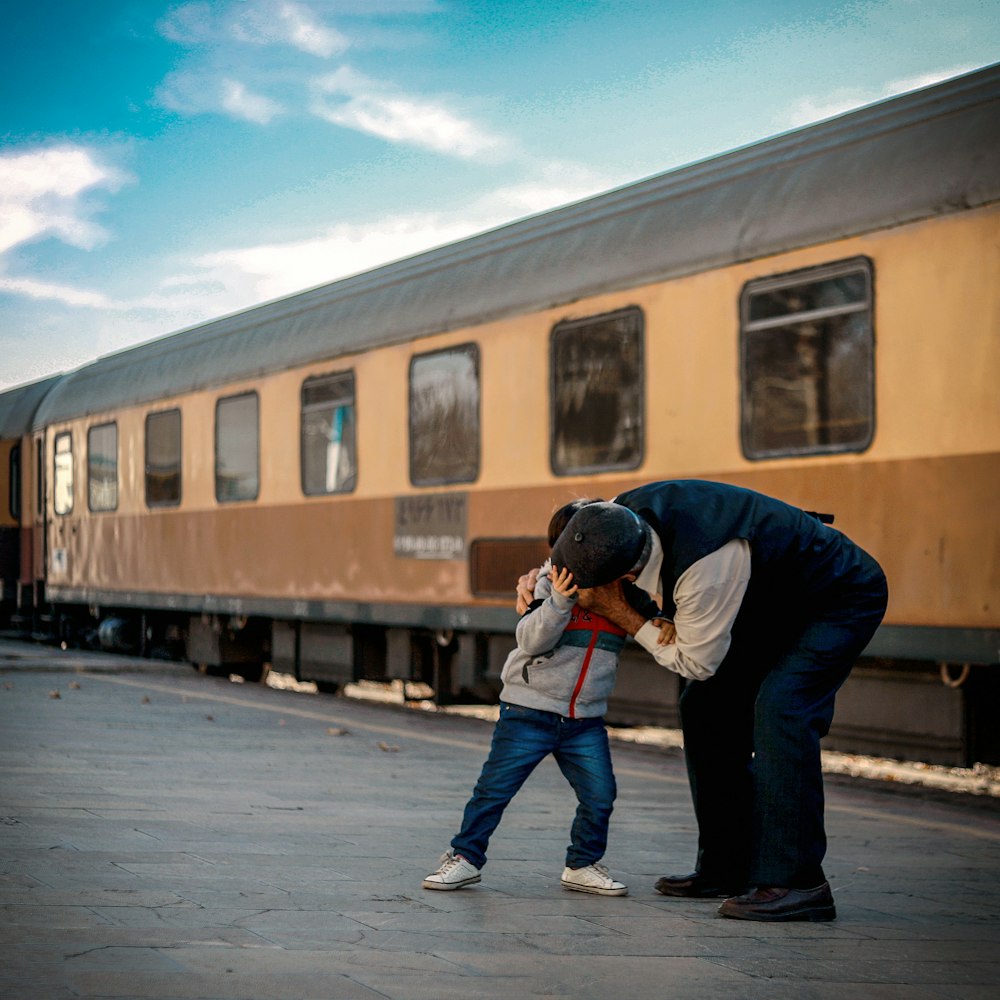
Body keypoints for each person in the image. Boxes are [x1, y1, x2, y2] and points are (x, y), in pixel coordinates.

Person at [521, 480, 888, 922]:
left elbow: (697, 662)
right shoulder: (608, 520)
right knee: (704, 708)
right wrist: (538, 583)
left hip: (833, 598)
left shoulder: (705, 566)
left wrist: (624, 613)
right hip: (761, 600)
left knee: (781, 711)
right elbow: (566, 560)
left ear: (627, 580)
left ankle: (799, 883)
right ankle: (726, 868)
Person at [423, 499, 664, 897]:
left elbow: (651, 615)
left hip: (584, 719)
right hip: (528, 711)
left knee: (600, 794)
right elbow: (531, 639)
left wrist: (664, 623)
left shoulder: (623, 593)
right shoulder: (546, 585)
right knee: (494, 790)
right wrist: (559, 602)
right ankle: (464, 858)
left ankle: (582, 864)